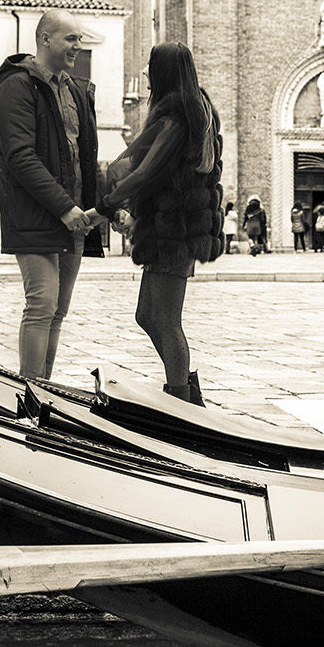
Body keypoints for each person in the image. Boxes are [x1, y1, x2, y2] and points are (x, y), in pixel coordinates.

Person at [96, 41, 223, 405]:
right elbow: (139, 159)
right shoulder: (190, 110)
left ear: (163, 71)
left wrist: (109, 202)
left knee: (165, 320)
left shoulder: (179, 115)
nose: (146, 74)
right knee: (147, 315)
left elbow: (148, 170)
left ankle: (181, 397)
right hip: (171, 229)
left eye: (150, 66)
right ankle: (184, 388)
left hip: (174, 231)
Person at [0, 9, 103, 380]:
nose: (78, 45)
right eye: (71, 38)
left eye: (80, 38)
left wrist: (106, 207)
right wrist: (64, 206)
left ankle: (46, 391)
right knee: (41, 304)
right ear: (45, 39)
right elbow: (20, 157)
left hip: (74, 218)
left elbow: (85, 157)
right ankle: (30, 392)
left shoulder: (75, 90)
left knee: (57, 310)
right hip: (37, 214)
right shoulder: (16, 88)